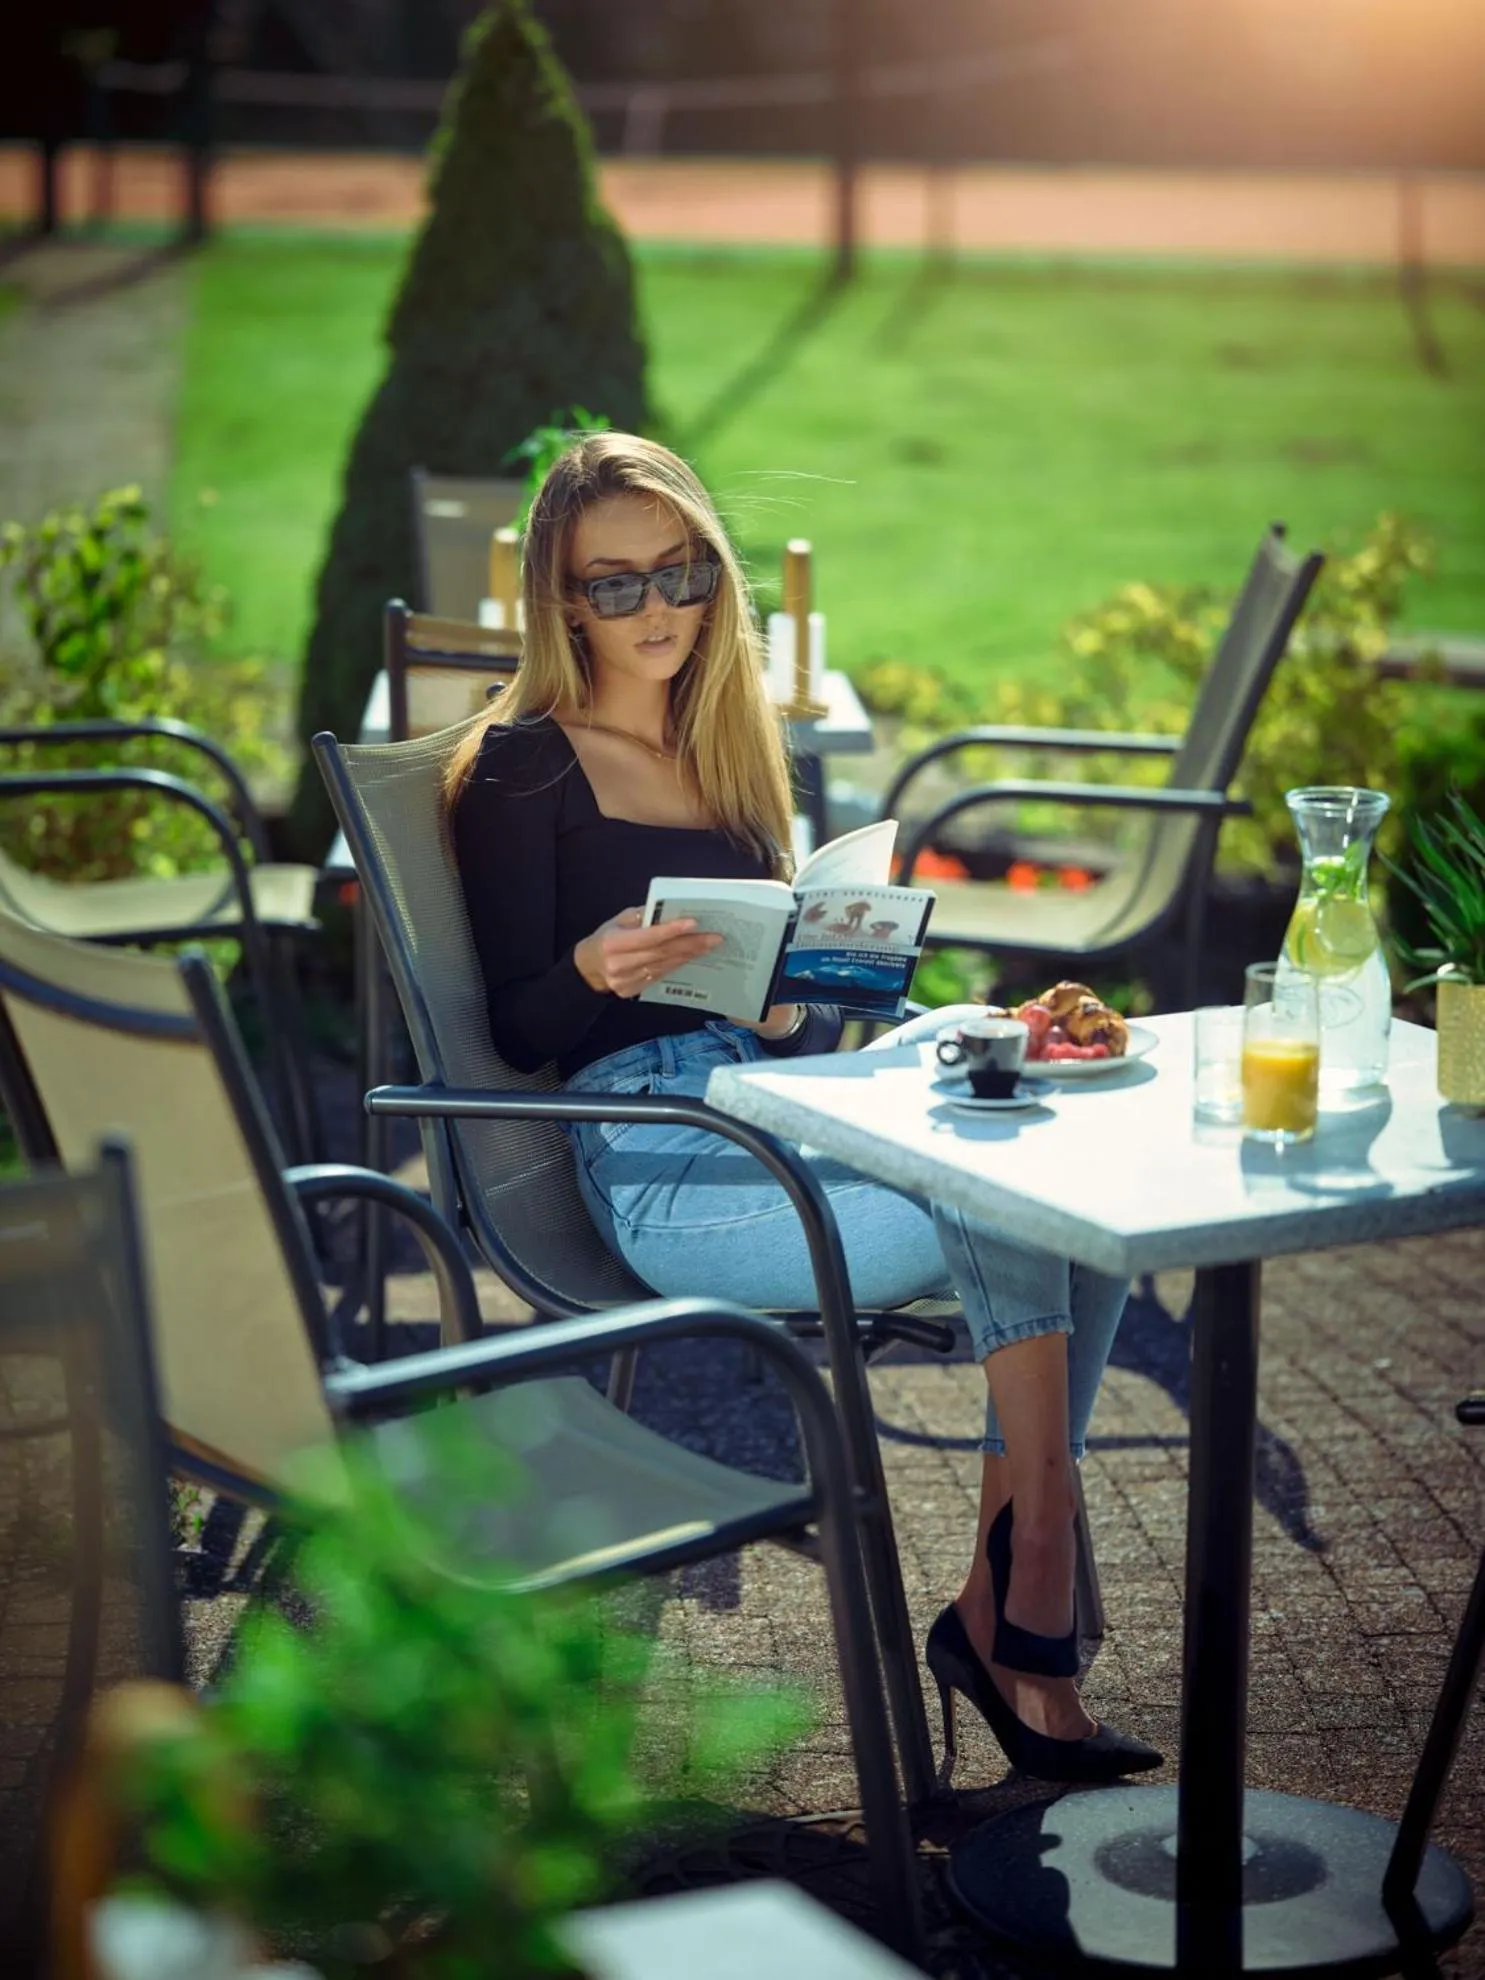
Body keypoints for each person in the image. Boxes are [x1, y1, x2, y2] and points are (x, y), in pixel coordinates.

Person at [448, 432, 1160, 1787]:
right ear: (561, 601)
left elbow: (803, 1015)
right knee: (1012, 1184)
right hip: (662, 1158)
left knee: (994, 1074)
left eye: (683, 574)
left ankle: (1004, 1596)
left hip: (765, 1102)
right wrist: (591, 968)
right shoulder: (524, 766)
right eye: (616, 586)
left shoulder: (728, 750)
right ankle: (1039, 1563)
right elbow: (513, 1032)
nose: (657, 611)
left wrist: (796, 1000)